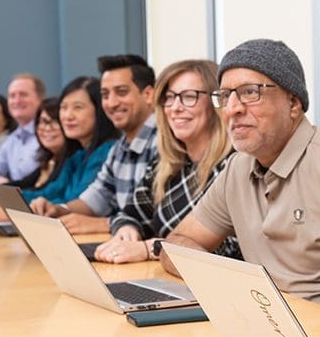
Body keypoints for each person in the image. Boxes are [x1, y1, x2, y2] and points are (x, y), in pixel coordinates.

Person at [159, 39, 320, 310]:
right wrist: (230, 286)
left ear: (293, 103)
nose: (232, 108)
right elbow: (176, 244)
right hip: (268, 327)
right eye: (225, 96)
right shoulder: (238, 168)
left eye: (250, 92)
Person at [95, 59, 240, 263]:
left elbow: (231, 248)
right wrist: (127, 229)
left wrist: (150, 248)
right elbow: (129, 214)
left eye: (189, 97)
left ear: (216, 102)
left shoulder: (235, 165)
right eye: (169, 98)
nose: (175, 108)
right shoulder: (165, 165)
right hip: (166, 279)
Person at [31, 54, 157, 234]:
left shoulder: (165, 143)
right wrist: (59, 210)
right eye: (105, 95)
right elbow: (97, 197)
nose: (111, 103)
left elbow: (160, 219)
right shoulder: (120, 147)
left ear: (148, 94)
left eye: (121, 92)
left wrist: (103, 224)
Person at [26, 77, 117, 207]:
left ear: (99, 110)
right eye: (63, 108)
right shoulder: (78, 156)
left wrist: (46, 207)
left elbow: (80, 203)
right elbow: (51, 192)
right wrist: (4, 197)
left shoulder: (107, 151)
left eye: (78, 107)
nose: (68, 116)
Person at [0, 73, 45, 186]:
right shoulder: (12, 140)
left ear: (40, 99)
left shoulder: (50, 135)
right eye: (12, 96)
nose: (17, 101)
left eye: (23, 94)